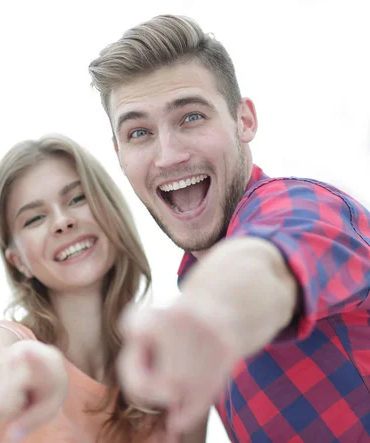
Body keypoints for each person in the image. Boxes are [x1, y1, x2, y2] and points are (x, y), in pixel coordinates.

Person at [87, 14, 370, 442]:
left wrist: (206, 315)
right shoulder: (191, 282)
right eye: (139, 132)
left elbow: (269, 262)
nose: (168, 156)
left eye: (191, 118)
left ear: (244, 121)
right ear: (119, 155)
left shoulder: (302, 205)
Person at [0, 134, 207, 442]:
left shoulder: (167, 372)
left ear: (111, 214)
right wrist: (19, 373)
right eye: (35, 218)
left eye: (77, 199)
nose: (62, 222)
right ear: (17, 262)